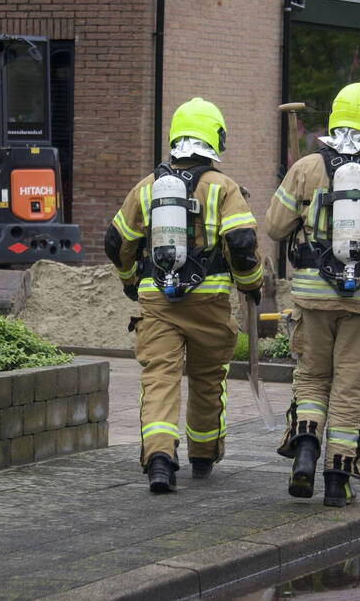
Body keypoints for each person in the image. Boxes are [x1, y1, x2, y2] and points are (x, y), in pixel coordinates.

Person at [265, 81, 360, 507]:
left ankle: (305, 454)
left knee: (312, 378)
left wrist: (291, 191)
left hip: (312, 299)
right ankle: (338, 480)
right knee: (349, 388)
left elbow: (275, 228)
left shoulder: (307, 168)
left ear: (336, 117)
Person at [105, 97, 263, 493]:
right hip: (209, 303)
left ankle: (160, 458)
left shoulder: (147, 187)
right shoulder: (223, 188)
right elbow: (242, 242)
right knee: (209, 379)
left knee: (160, 378)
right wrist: (250, 284)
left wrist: (129, 280)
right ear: (214, 139)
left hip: (157, 301)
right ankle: (203, 455)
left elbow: (116, 241)